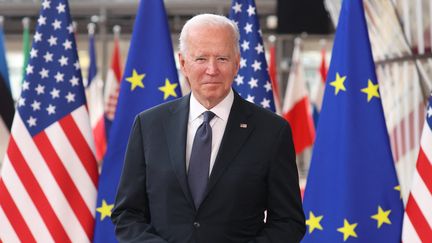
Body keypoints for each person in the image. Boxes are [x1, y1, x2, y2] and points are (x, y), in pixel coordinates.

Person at [111, 13, 305, 243]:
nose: (212, 70)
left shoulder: (272, 131)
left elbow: (288, 222)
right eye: (201, 58)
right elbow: (127, 214)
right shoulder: (149, 125)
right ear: (183, 63)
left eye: (222, 58)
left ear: (237, 63)